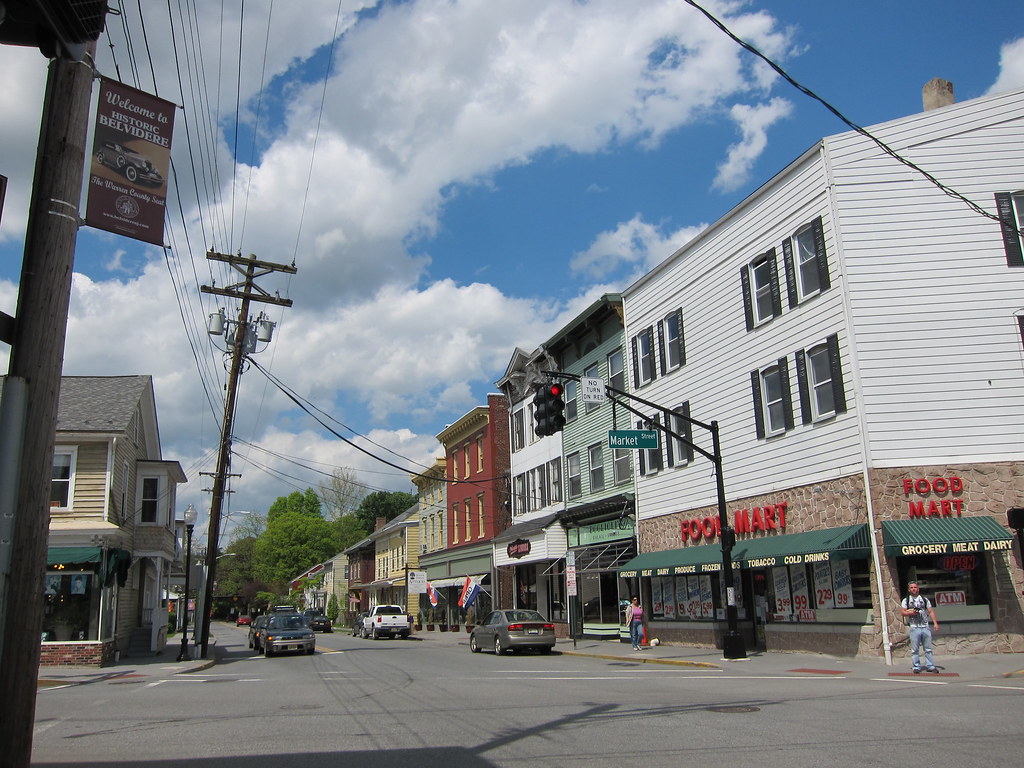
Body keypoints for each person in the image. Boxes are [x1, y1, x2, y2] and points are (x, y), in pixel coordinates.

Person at [901, 581, 939, 673]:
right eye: (912, 587)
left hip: (925, 626)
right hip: (914, 627)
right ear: (909, 589)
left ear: (918, 589)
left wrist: (935, 623)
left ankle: (930, 666)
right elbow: (903, 612)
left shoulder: (924, 599)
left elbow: (930, 611)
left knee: (928, 648)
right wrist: (910, 612)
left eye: (915, 587)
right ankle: (916, 667)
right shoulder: (906, 600)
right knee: (915, 649)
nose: (914, 589)